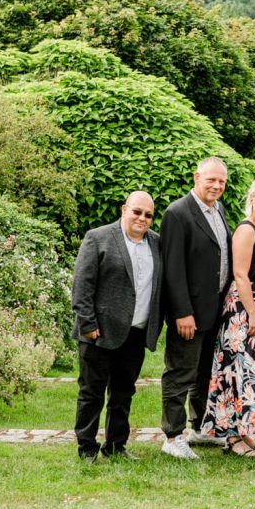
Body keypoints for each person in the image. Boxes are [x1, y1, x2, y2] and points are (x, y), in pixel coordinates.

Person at [71, 191, 163, 463]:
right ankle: (86, 447)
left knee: (123, 394)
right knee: (92, 393)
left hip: (135, 333)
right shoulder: (97, 237)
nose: (142, 218)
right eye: (137, 211)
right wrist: (87, 324)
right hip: (99, 332)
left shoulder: (156, 243)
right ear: (124, 210)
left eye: (148, 214)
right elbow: (82, 285)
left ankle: (116, 445)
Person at [200, 177, 255, 457]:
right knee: (237, 369)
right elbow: (239, 274)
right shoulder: (246, 230)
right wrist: (252, 314)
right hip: (244, 306)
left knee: (254, 372)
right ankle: (232, 437)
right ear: (252, 199)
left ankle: (246, 432)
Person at [159, 157, 232, 460]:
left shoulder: (219, 210)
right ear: (196, 177)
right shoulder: (178, 213)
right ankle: (172, 436)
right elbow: (172, 268)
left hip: (214, 309)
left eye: (221, 182)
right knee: (180, 373)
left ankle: (200, 427)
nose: (216, 186)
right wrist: (181, 311)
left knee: (205, 372)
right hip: (189, 312)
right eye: (211, 180)